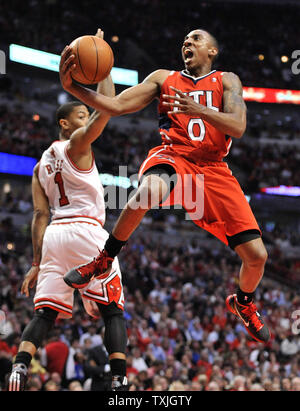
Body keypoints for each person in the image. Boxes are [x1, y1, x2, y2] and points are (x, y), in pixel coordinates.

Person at [61, 29, 270, 344]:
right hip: (173, 156)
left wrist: (198, 110)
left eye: (196, 39)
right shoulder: (163, 78)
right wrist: (73, 86)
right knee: (148, 191)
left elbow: (238, 126)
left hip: (214, 171)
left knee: (257, 256)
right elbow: (115, 106)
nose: (187, 42)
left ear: (212, 51)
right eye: (185, 39)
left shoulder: (227, 80)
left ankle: (242, 302)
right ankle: (104, 259)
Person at [7, 29, 128, 392]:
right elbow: (107, 109)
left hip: (55, 238)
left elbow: (38, 216)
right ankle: (119, 378)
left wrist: (35, 261)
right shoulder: (76, 143)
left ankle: (19, 367)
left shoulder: (38, 166)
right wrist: (104, 63)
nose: (85, 114)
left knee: (45, 312)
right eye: (79, 112)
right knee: (112, 310)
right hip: (88, 234)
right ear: (65, 123)